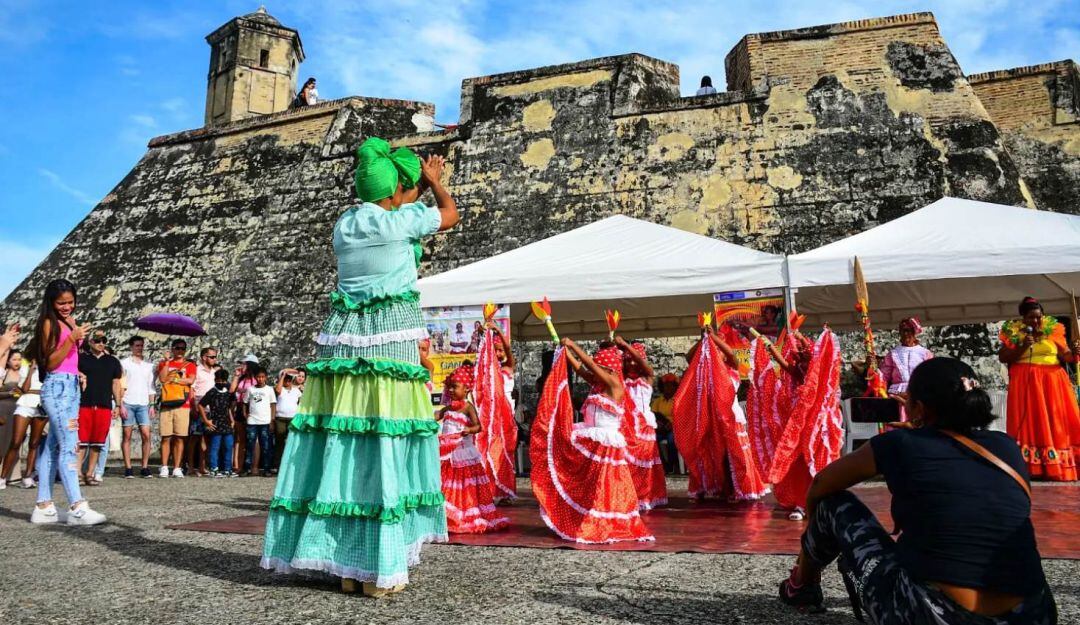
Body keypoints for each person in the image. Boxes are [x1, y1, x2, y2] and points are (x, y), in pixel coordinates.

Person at [263, 137, 459, 596]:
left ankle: (348, 562)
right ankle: (378, 566)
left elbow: (388, 206)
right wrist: (433, 184)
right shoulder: (401, 223)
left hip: (345, 337)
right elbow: (448, 216)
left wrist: (406, 188)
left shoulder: (346, 224)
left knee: (346, 443)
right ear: (397, 192)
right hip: (391, 339)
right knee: (385, 443)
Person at [778, 358, 1057, 623]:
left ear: (919, 408)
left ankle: (801, 585)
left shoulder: (898, 443)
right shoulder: (1007, 447)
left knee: (833, 504)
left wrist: (813, 535)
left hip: (934, 614)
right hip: (1032, 614)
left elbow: (820, 485)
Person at [530, 337, 654, 543]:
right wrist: (564, 352)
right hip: (591, 440)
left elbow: (588, 364)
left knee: (603, 485)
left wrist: (573, 345)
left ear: (611, 371)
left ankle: (603, 520)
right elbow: (580, 368)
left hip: (606, 445)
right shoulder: (598, 385)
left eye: (600, 369)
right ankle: (587, 516)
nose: (595, 373)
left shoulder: (615, 385)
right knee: (588, 483)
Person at [27, 278, 106, 525]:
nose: (67, 307)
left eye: (71, 302)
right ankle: (76, 506)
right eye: (61, 302)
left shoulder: (66, 321)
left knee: (52, 446)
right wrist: (73, 338)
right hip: (58, 388)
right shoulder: (48, 323)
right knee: (71, 445)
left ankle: (44, 505)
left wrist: (77, 371)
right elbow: (49, 363)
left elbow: (68, 360)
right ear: (51, 302)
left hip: (70, 386)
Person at [749, 317, 843, 520]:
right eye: (799, 356)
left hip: (816, 427)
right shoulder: (796, 373)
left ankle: (821, 503)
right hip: (796, 427)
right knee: (799, 465)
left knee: (817, 463)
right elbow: (782, 363)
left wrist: (797, 335)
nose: (800, 358)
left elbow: (818, 357)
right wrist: (768, 345)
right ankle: (802, 504)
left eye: (805, 356)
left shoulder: (820, 380)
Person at [676, 325, 767, 501]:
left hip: (730, 417)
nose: (715, 353)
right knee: (708, 452)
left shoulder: (731, 367)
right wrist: (703, 338)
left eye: (719, 350)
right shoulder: (704, 370)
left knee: (732, 455)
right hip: (709, 418)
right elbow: (689, 357)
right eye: (713, 350)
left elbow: (733, 356)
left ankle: (737, 488)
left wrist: (714, 338)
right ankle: (714, 487)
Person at [999, 296, 1080, 481]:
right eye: (1031, 318)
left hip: (1052, 382)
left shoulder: (1054, 330)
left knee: (1054, 419)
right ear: (1023, 318)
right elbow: (1003, 357)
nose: (1035, 321)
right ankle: (1031, 466)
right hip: (1026, 382)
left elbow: (1066, 356)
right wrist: (1022, 346)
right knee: (1031, 421)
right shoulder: (1013, 332)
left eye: (1038, 317)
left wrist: (1075, 353)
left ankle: (1058, 465)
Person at [437, 363, 510, 533]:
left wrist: (468, 430)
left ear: (466, 390)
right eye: (450, 387)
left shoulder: (468, 407)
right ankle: (451, 515)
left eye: (455, 387)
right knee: (449, 484)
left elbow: (479, 426)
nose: (451, 391)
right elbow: (437, 416)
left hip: (464, 455)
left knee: (465, 486)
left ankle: (467, 513)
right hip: (449, 456)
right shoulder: (447, 408)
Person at [616, 336, 667, 510]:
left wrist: (625, 346)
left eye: (634, 360)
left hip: (644, 426)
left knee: (645, 464)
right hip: (625, 426)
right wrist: (616, 352)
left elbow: (643, 364)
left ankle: (645, 497)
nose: (631, 364)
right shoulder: (620, 379)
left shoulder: (647, 377)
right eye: (627, 361)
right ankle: (628, 496)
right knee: (626, 463)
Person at [76, 330, 122, 486]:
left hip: (104, 404)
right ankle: (77, 473)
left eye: (103, 340)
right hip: (84, 403)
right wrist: (80, 374)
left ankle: (90, 473)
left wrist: (118, 404)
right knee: (82, 441)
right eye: (97, 340)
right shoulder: (81, 359)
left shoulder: (112, 361)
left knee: (97, 442)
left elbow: (116, 384)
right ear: (90, 342)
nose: (101, 343)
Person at [2, 358, 45, 488]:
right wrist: (31, 371)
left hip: (41, 405)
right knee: (16, 441)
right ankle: (2, 477)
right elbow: (24, 389)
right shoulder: (26, 367)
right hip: (25, 404)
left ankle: (27, 476)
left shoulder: (48, 367)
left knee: (34, 443)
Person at [157, 339, 195, 478]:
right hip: (167, 403)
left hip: (182, 404)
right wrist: (167, 362)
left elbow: (190, 380)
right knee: (166, 436)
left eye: (183, 349)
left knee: (180, 437)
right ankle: (165, 466)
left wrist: (175, 380)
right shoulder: (163, 363)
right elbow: (162, 379)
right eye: (177, 348)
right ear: (172, 349)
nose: (180, 351)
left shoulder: (189, 365)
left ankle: (177, 467)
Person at [120, 336, 156, 478]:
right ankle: (128, 468)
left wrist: (152, 404)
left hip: (143, 403)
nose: (139, 348)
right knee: (127, 435)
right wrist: (120, 404)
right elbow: (120, 385)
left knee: (146, 434)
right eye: (136, 345)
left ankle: (145, 467)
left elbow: (151, 387)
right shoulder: (124, 364)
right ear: (131, 346)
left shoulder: (149, 366)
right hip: (128, 402)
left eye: (141, 345)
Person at [186, 347, 220, 477]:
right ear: (204, 357)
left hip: (211, 408)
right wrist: (193, 407)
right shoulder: (197, 370)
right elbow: (192, 389)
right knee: (194, 437)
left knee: (206, 438)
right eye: (211, 357)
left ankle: (202, 466)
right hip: (199, 406)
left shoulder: (213, 372)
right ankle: (190, 466)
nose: (214, 359)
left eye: (215, 357)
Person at [199, 369, 236, 478]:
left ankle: (227, 469)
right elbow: (201, 405)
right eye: (218, 380)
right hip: (215, 423)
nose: (221, 382)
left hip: (227, 423)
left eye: (223, 380)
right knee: (215, 447)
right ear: (215, 380)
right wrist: (206, 420)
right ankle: (214, 468)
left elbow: (229, 407)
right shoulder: (212, 392)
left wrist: (232, 419)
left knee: (229, 446)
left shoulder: (228, 392)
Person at [242, 367, 276, 477]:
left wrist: (272, 420)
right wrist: (245, 415)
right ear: (255, 378)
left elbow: (273, 405)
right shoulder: (250, 389)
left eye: (262, 377)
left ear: (265, 377)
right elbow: (245, 402)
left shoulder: (269, 389)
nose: (260, 379)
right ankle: (247, 468)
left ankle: (266, 469)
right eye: (258, 377)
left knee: (266, 446)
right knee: (250, 445)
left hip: (265, 421)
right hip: (252, 420)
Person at [229, 355, 259, 473]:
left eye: (244, 364)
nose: (242, 366)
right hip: (240, 407)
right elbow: (232, 390)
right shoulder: (241, 379)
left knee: (253, 439)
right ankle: (238, 465)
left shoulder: (257, 379)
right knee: (239, 438)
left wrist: (245, 391)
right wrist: (236, 376)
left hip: (252, 408)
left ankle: (254, 466)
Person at [273, 368, 303, 471]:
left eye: (289, 380)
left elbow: (301, 402)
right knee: (279, 442)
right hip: (280, 418)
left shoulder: (296, 391)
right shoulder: (280, 389)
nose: (287, 382)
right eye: (286, 380)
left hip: (292, 418)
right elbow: (278, 390)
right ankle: (278, 465)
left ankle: (289, 465)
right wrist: (283, 376)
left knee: (291, 441)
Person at [0, 348, 22, 487]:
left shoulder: (23, 373)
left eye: (19, 359)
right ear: (8, 360)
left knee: (13, 442)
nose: (17, 362)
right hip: (3, 409)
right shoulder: (4, 374)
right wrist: (9, 393)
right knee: (1, 442)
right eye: (14, 359)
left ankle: (9, 475)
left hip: (18, 409)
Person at [650, 373, 680, 473]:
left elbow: (681, 416)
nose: (667, 388)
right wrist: (659, 424)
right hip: (661, 428)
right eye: (665, 385)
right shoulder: (658, 401)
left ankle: (674, 463)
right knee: (653, 440)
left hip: (675, 428)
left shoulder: (678, 400)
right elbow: (653, 414)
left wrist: (672, 424)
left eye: (670, 385)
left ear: (675, 387)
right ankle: (664, 464)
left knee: (671, 440)